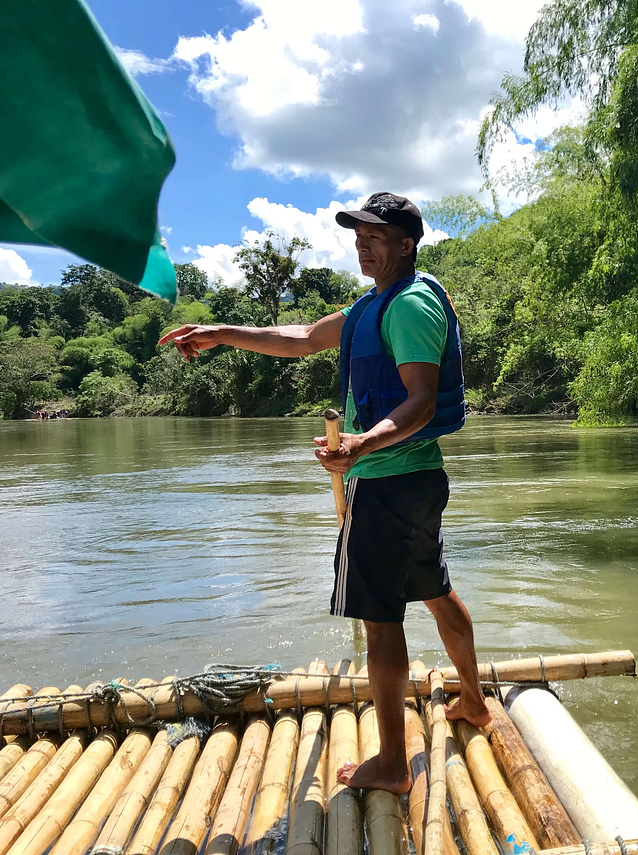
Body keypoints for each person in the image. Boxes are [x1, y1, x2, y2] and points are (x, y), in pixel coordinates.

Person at [158, 192, 490, 793]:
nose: (362, 243)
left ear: (407, 243)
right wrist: (222, 333)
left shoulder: (410, 307)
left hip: (387, 483)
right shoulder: (372, 305)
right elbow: (303, 337)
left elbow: (418, 401)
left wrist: (358, 447)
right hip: (412, 480)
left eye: (375, 235)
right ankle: (473, 702)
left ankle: (392, 767)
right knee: (437, 590)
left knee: (381, 621)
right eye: (357, 233)